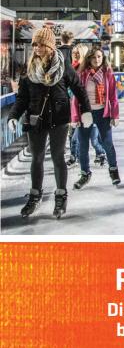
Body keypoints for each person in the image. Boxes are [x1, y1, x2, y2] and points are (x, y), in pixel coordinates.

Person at [10, 25, 92, 220]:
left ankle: (61, 195)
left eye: (41, 44)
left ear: (50, 46)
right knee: (36, 158)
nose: (37, 48)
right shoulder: (29, 69)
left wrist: (86, 111)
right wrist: (13, 115)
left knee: (57, 157)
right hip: (35, 119)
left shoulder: (63, 66)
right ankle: (35, 195)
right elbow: (22, 97)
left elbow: (79, 89)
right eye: (35, 44)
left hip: (59, 118)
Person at [71, 45, 121, 189]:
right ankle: (85, 173)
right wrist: (75, 117)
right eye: (93, 57)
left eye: (99, 56)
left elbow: (113, 96)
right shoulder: (82, 74)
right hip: (85, 113)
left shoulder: (108, 73)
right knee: (83, 145)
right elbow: (76, 97)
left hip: (102, 113)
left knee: (107, 143)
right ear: (89, 59)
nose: (96, 59)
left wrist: (114, 115)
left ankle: (113, 170)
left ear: (103, 58)